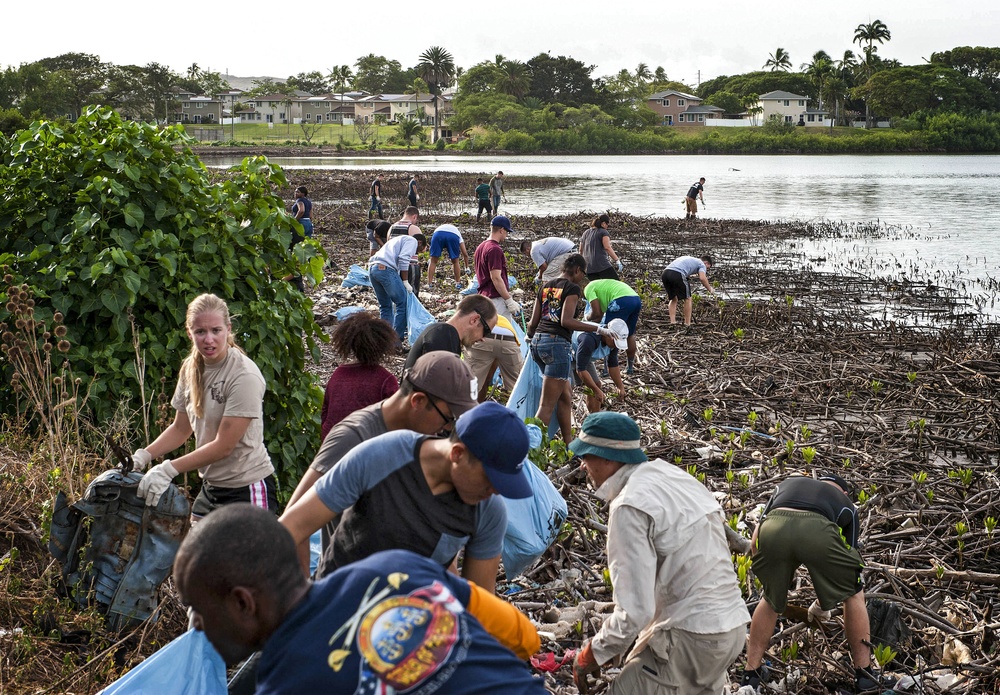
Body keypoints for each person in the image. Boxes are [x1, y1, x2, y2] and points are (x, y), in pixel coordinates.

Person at [174, 505, 546, 695]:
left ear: (243, 603)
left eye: (200, 609)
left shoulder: (288, 684)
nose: (196, 623)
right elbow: (522, 634)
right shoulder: (396, 567)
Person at [569, 412, 748, 695]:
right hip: (732, 630)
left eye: (586, 456)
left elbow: (636, 611)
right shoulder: (672, 476)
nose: (582, 465)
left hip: (691, 637)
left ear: (606, 457)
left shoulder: (629, 506)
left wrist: (590, 655)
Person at [280, 401, 532, 595]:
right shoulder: (383, 456)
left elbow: (478, 606)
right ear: (457, 454)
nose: (496, 491)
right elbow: (292, 527)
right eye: (491, 480)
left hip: (406, 633)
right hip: (336, 602)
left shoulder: (488, 511)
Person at [285, 352, 480, 567]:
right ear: (417, 401)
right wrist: (305, 595)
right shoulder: (354, 437)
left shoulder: (427, 444)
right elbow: (292, 523)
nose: (448, 430)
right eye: (449, 419)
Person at [740, 473, 897, 693]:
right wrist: (826, 601)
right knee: (854, 593)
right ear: (842, 492)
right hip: (816, 531)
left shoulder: (785, 485)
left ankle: (751, 674)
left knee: (770, 598)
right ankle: (865, 675)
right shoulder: (846, 504)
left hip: (774, 528)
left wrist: (770, 580)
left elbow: (755, 540)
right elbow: (852, 557)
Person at [132, 294, 276, 519]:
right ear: (189, 333)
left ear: (228, 329)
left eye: (216, 330)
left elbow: (224, 446)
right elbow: (181, 428)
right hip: (211, 489)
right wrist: (143, 456)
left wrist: (169, 469)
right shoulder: (190, 368)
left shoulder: (244, 375)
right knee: (194, 553)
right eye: (200, 332)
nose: (209, 339)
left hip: (246, 489)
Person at [526, 254, 610, 444]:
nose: (583, 278)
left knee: (565, 395)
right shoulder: (572, 288)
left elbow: (532, 323)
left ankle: (568, 443)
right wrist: (597, 328)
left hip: (539, 343)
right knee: (546, 405)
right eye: (584, 274)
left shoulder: (545, 286)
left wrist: (530, 337)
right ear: (578, 270)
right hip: (557, 345)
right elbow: (566, 321)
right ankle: (528, 450)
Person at [320, 312, 399, 441]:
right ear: (383, 347)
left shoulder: (338, 374)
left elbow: (325, 414)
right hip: (367, 448)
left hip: (332, 444)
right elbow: (396, 421)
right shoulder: (385, 380)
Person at [404, 294, 498, 369]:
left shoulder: (443, 333)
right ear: (474, 320)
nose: (483, 339)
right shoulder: (444, 336)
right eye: (486, 331)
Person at [368, 231, 427, 346]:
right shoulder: (412, 241)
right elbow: (404, 258)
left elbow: (399, 264)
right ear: (420, 242)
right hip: (385, 269)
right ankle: (395, 343)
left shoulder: (398, 241)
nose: (416, 253)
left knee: (385, 306)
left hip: (373, 269)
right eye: (420, 250)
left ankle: (384, 341)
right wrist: (405, 281)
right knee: (403, 304)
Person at [583, 278, 642, 375]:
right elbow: (599, 316)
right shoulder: (599, 285)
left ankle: (607, 369)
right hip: (635, 299)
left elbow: (596, 313)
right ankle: (630, 368)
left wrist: (586, 319)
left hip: (620, 301)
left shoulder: (588, 288)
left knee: (610, 333)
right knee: (630, 334)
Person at [574, 318, 628, 413]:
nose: (615, 346)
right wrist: (595, 390)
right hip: (567, 352)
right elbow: (581, 369)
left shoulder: (613, 344)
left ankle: (594, 417)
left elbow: (613, 365)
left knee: (596, 384)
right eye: (615, 342)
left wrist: (620, 386)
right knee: (567, 387)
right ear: (608, 334)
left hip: (584, 357)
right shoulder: (589, 339)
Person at [474, 215, 520, 321]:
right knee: (503, 332)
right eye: (507, 231)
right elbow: (496, 278)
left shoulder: (481, 247)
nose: (507, 235)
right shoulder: (494, 249)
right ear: (501, 230)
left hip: (484, 297)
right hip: (495, 298)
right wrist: (509, 300)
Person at [661, 255, 715, 326]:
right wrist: (710, 289)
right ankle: (687, 323)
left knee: (673, 298)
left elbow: (682, 267)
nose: (707, 269)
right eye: (708, 267)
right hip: (677, 273)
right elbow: (702, 278)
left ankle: (673, 322)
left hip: (665, 273)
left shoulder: (691, 259)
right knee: (688, 298)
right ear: (706, 263)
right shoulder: (702, 264)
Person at [387, 206, 424, 296]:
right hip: (410, 265)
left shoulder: (391, 228)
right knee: (411, 293)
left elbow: (388, 245)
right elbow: (420, 248)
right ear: (414, 216)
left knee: (397, 294)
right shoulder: (412, 228)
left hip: (395, 265)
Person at [426, 223, 472, 291]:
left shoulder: (439, 228)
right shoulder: (457, 232)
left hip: (438, 234)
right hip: (453, 236)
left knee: (433, 261)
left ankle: (429, 284)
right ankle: (458, 284)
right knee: (455, 261)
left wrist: (431, 257)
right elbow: (465, 253)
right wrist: (467, 267)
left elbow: (431, 249)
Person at [579, 213, 622, 282]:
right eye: (607, 224)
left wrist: (581, 265)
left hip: (589, 267)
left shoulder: (586, 232)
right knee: (615, 284)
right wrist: (617, 260)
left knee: (598, 288)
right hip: (602, 265)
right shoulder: (603, 232)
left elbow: (581, 250)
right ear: (603, 223)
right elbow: (607, 247)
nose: (607, 226)